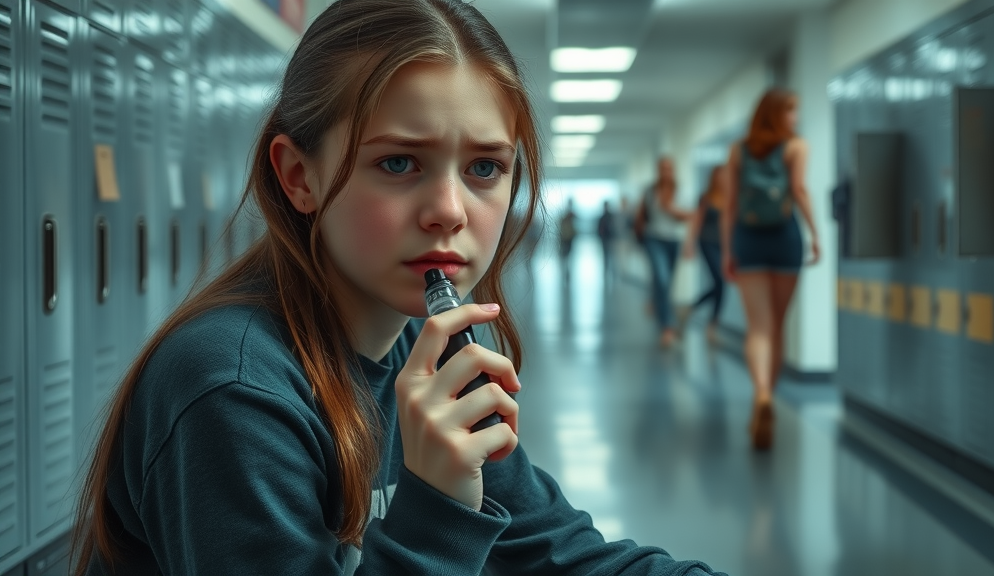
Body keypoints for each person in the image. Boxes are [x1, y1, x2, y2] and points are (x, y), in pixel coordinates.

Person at [70, 2, 726, 575]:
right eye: (398, 163)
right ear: (298, 176)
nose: (449, 209)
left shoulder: (428, 347)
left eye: (485, 168)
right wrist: (436, 507)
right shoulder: (230, 386)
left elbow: (559, 553)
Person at [720, 88, 821, 451]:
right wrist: (816, 234)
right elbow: (799, 190)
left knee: (758, 328)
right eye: (792, 111)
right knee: (777, 327)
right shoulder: (796, 147)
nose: (795, 119)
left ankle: (760, 392)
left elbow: (730, 205)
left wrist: (728, 250)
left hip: (749, 240)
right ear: (778, 114)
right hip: (784, 238)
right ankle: (768, 397)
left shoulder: (738, 151)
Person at [635, 157, 691, 347]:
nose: (665, 172)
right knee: (662, 278)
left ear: (673, 170)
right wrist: (639, 236)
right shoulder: (650, 191)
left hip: (673, 240)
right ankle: (668, 326)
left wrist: (670, 208)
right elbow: (641, 215)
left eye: (669, 168)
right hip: (653, 239)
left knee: (666, 284)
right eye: (662, 168)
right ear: (658, 170)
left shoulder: (681, 190)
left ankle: (661, 314)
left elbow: (688, 215)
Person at [681, 166, 727, 342]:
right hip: (707, 242)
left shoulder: (731, 197)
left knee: (721, 286)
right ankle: (709, 325)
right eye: (720, 176)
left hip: (724, 245)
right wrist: (690, 243)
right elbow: (697, 221)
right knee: (719, 281)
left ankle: (704, 319)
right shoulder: (706, 198)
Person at [597, 200, 618, 279]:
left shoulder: (610, 216)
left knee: (611, 254)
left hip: (609, 238)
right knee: (606, 254)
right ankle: (606, 269)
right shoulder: (603, 217)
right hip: (605, 238)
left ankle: (611, 270)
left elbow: (614, 227)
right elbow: (599, 229)